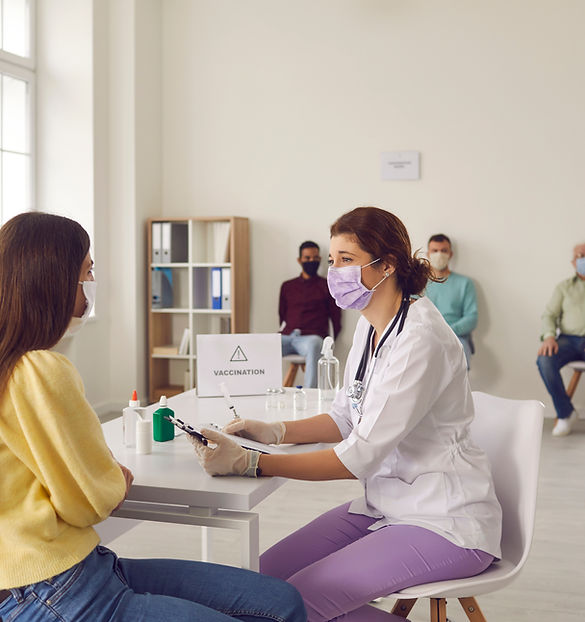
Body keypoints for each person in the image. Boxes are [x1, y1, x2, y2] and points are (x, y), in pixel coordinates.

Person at [190, 207, 502, 622]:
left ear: (387, 264)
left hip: (443, 518)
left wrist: (253, 464)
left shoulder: (420, 338)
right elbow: (344, 418)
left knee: (293, 602)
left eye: (347, 260)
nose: (334, 271)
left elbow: (359, 456)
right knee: (257, 581)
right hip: (386, 504)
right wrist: (272, 431)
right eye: (333, 260)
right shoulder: (369, 327)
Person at [0, 212, 306, 622]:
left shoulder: (14, 367)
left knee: (281, 603)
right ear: (54, 280)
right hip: (55, 588)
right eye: (87, 271)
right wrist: (110, 477)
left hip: (80, 569)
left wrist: (102, 476)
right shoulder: (39, 370)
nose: (92, 283)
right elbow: (93, 500)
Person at [536, 242, 585, 437]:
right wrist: (548, 337)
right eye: (579, 255)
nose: (583, 258)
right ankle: (565, 413)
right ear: (573, 262)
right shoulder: (563, 287)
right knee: (545, 360)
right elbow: (549, 315)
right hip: (567, 340)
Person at [279, 241, 342, 387]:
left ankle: (310, 394)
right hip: (288, 336)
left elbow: (336, 318)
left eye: (315, 258)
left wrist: (329, 342)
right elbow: (282, 314)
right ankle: (268, 391)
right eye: (307, 258)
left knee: (315, 344)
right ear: (299, 260)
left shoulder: (327, 286)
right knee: (266, 344)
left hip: (311, 338)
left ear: (320, 259)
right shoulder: (287, 286)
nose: (311, 261)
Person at [425, 233, 478, 369]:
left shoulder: (464, 283)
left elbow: (471, 317)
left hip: (456, 337)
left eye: (444, 250)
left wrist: (448, 331)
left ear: (451, 254)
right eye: (435, 251)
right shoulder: (419, 283)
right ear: (428, 253)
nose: (439, 254)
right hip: (425, 336)